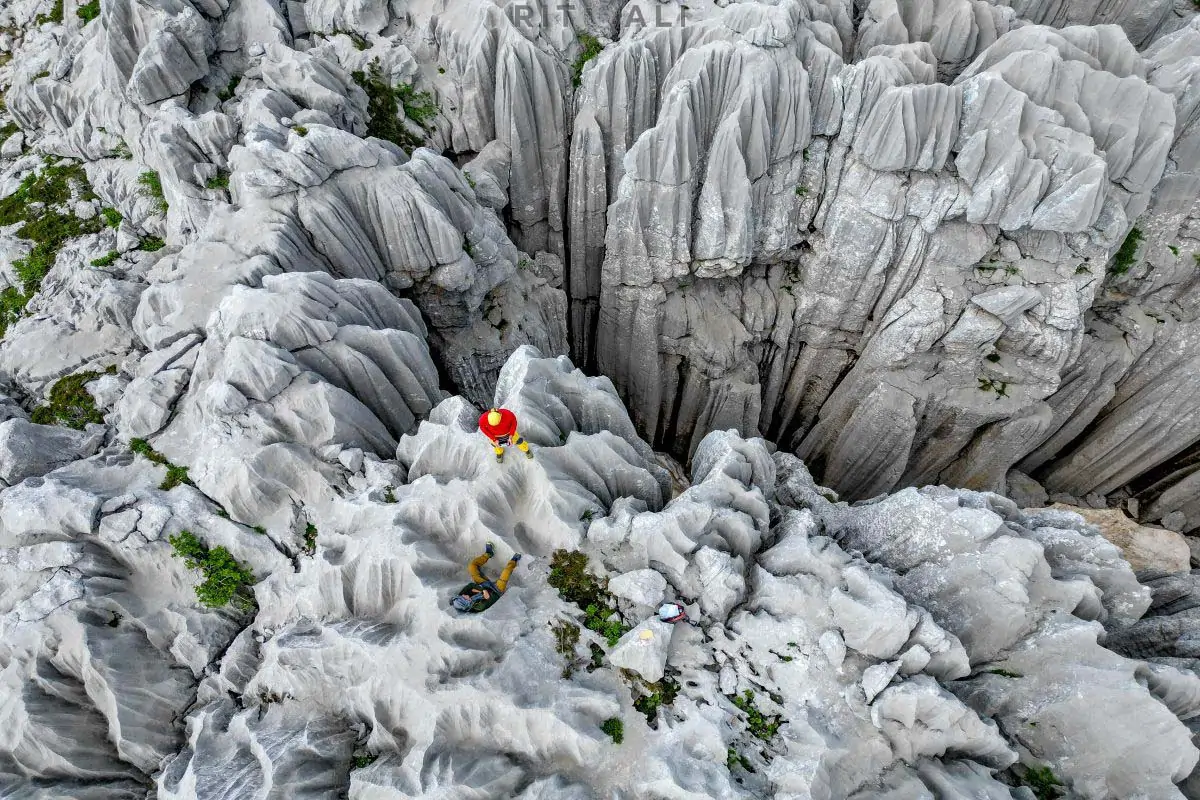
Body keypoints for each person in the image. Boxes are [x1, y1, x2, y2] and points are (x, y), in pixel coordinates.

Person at [451, 542, 522, 613]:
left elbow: (471, 586)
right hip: (496, 591)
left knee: (472, 566)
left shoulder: (462, 596)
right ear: (466, 601)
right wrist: (480, 591)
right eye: (463, 597)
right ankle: (514, 561)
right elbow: (489, 598)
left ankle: (488, 554)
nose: (462, 595)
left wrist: (481, 590)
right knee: (506, 571)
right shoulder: (479, 607)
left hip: (483, 585)